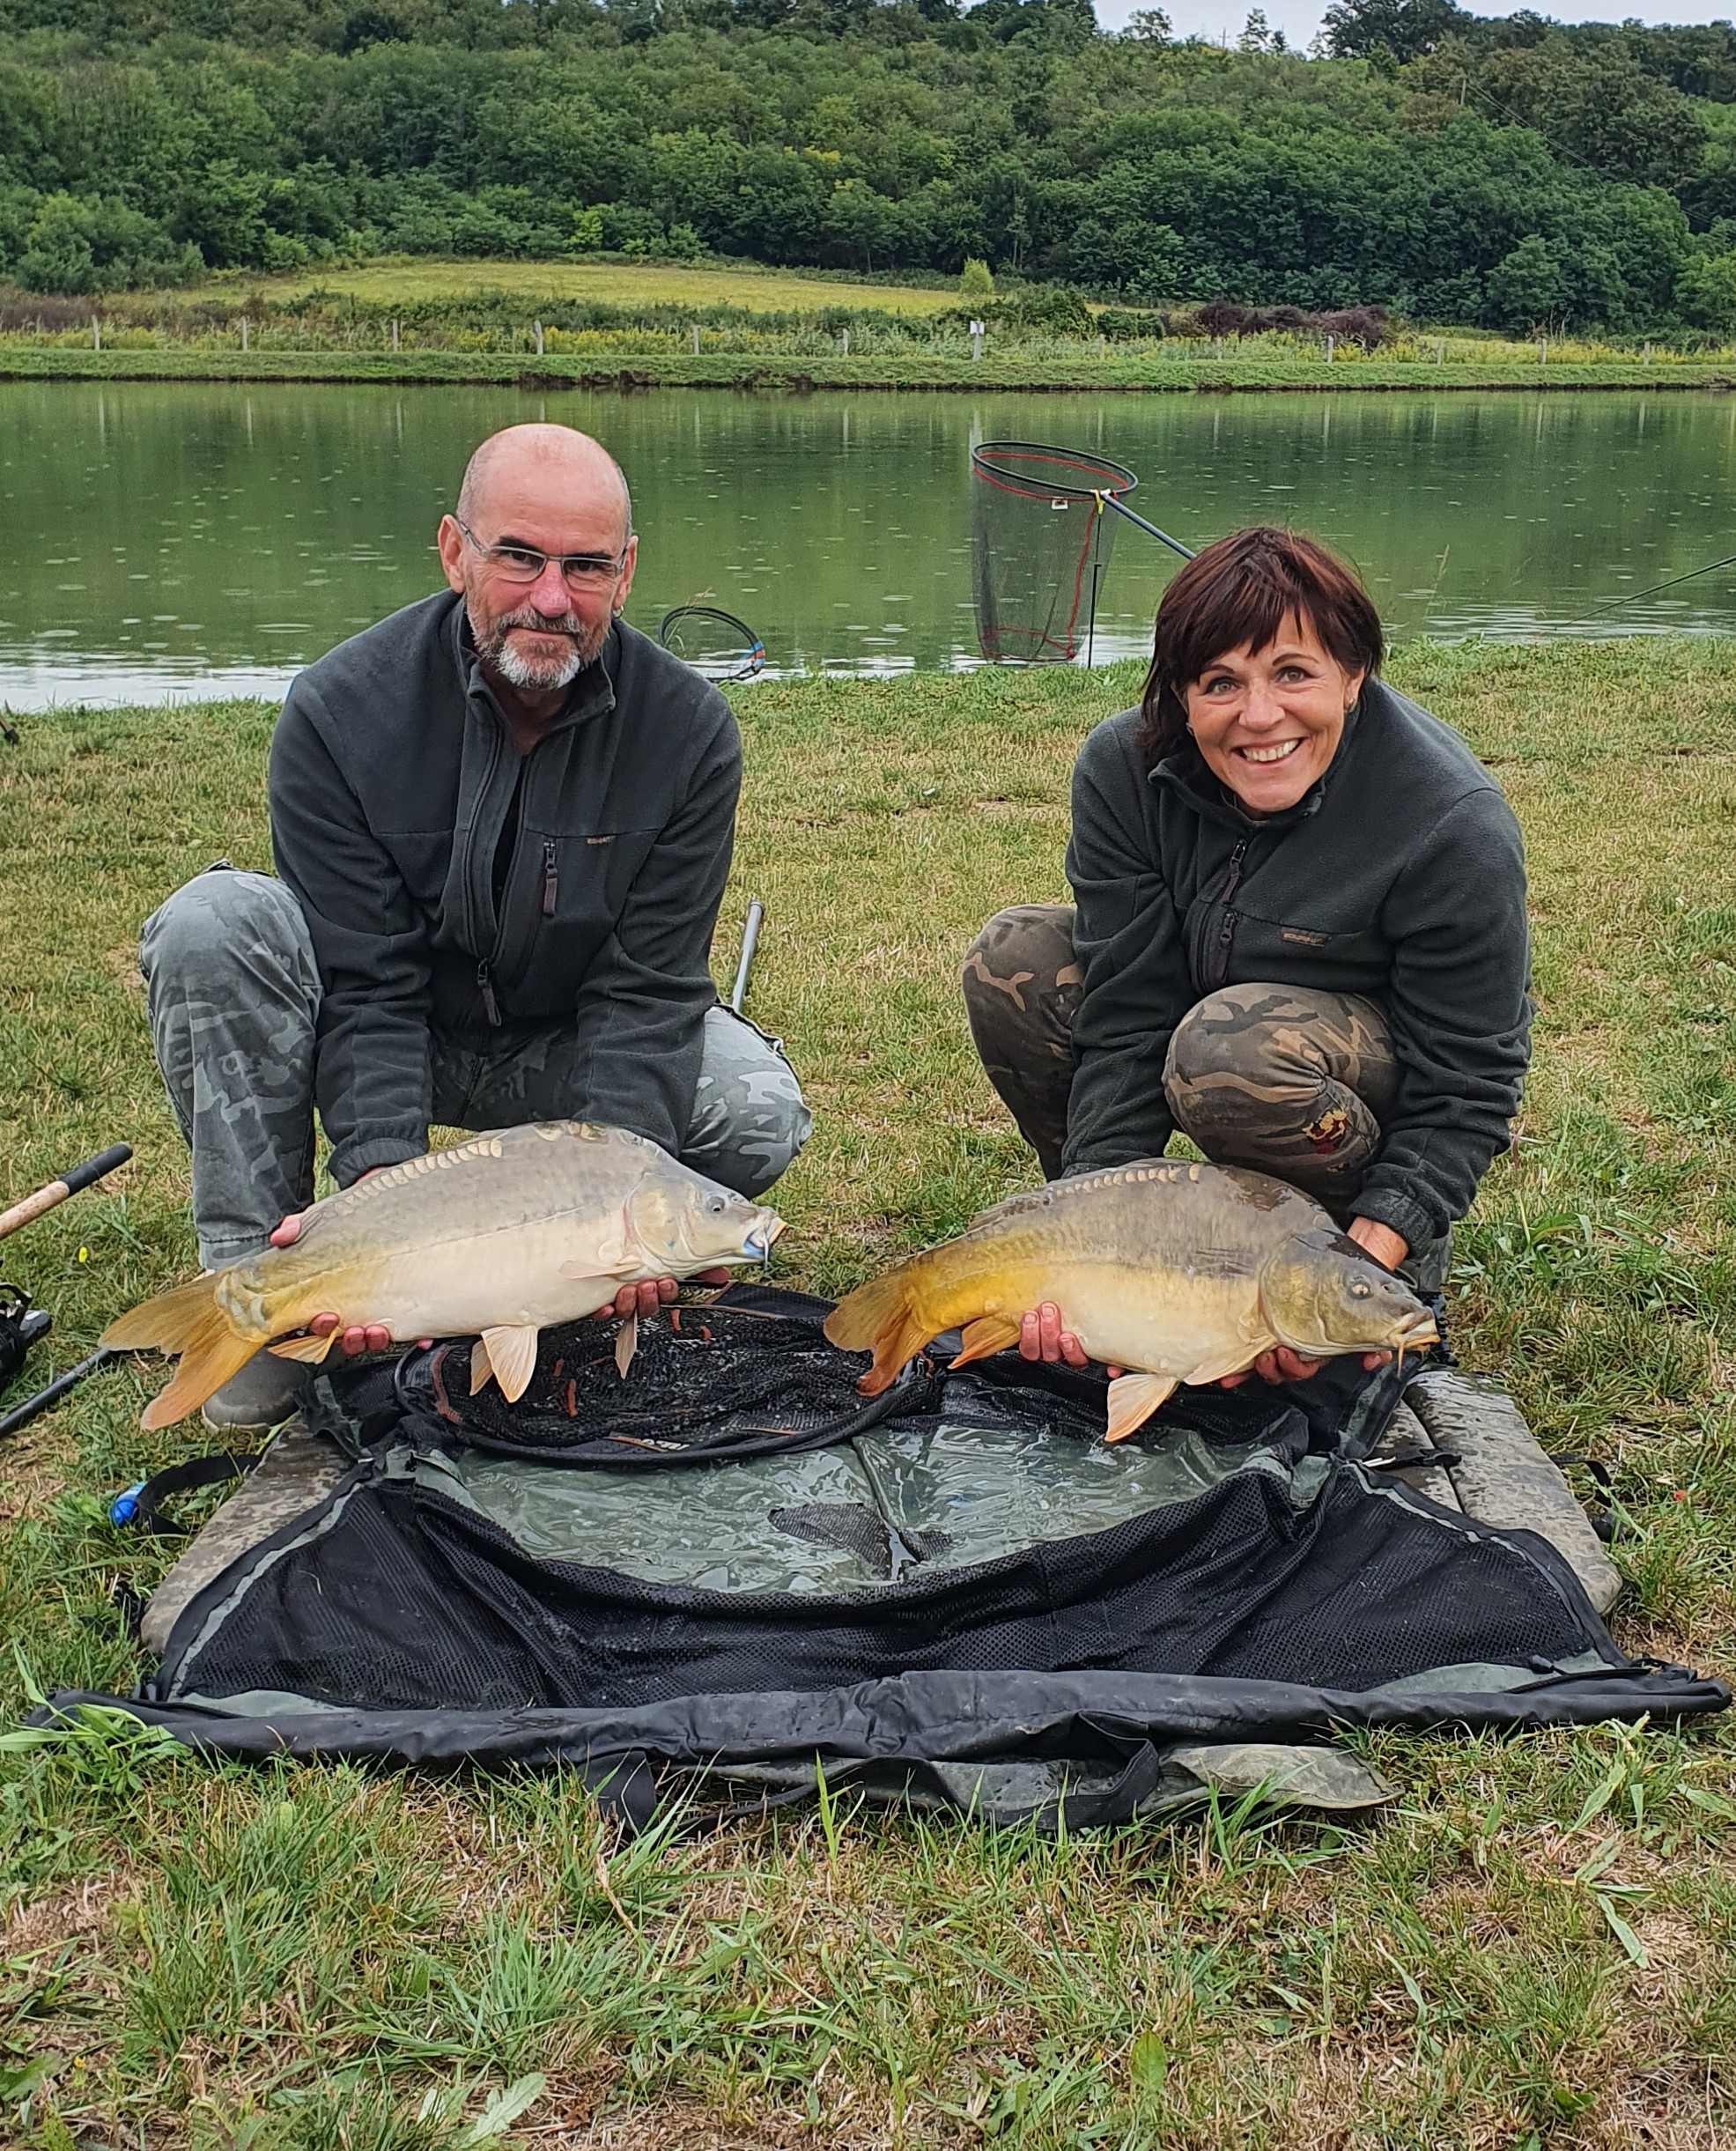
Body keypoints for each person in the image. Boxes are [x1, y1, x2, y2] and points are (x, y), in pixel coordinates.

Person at [141, 423, 809, 1429]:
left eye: (585, 567)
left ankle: (546, 1280)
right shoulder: (338, 711)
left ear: (626, 575)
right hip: (399, 1033)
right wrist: (376, 1200)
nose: (552, 597)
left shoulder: (690, 733)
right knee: (214, 925)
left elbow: (650, 990)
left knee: (752, 1107)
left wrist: (612, 1204)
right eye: (520, 557)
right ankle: (260, 1289)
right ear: (455, 551)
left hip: (561, 1047)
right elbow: (369, 988)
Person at [961, 525, 1530, 1400]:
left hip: (1345, 1087)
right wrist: (1084, 1244)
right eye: (1220, 683)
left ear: (1353, 675)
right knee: (1017, 961)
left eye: (1293, 673)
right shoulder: (1124, 769)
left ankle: (1343, 1287)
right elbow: (1127, 1019)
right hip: (1203, 1036)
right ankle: (1126, 1277)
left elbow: (1467, 1088)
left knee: (1230, 1049)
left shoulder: (1452, 825)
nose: (1258, 717)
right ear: (1181, 698)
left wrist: (1367, 1256)